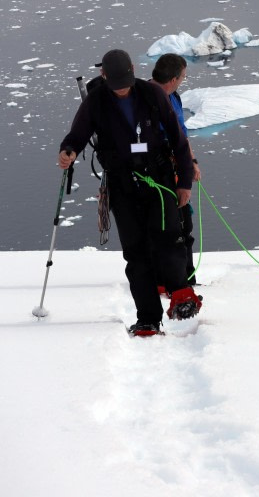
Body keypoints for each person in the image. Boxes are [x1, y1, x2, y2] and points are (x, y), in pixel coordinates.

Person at [58, 49, 203, 336]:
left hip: (159, 180)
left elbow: (178, 140)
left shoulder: (152, 94)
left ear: (133, 70)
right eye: (116, 85)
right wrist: (68, 151)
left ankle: (181, 294)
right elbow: (78, 134)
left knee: (170, 237)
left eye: (125, 82)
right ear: (104, 77)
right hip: (122, 186)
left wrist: (184, 181)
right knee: (136, 253)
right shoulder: (96, 102)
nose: (122, 90)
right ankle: (148, 318)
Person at [150, 53, 201, 286]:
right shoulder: (145, 99)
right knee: (168, 227)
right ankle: (169, 281)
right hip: (156, 173)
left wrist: (191, 162)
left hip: (176, 167)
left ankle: (185, 279)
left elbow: (181, 134)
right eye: (182, 77)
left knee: (183, 225)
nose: (183, 80)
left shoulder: (174, 98)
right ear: (172, 78)